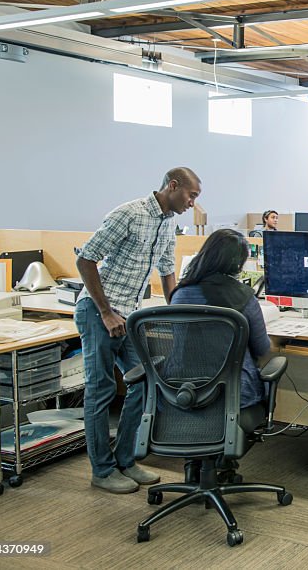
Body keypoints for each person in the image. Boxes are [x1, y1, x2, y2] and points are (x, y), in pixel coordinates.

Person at [75, 167, 201, 493]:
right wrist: (105, 312)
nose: (193, 203)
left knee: (145, 382)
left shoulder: (168, 223)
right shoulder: (128, 214)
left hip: (128, 317)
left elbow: (168, 273)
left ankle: (125, 461)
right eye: (191, 195)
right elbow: (86, 260)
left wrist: (180, 315)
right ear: (173, 186)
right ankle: (102, 471)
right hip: (98, 312)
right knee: (101, 390)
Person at [170, 228, 270, 431]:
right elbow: (261, 348)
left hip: (184, 392)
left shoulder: (180, 294)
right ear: (238, 263)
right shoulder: (243, 297)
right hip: (234, 394)